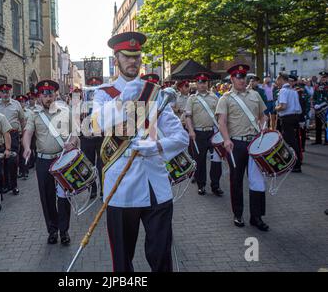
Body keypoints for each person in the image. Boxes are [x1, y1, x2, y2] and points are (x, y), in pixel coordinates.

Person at [92, 31, 189, 272]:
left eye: (136, 56)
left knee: (161, 256)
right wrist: (123, 100)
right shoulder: (104, 93)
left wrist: (157, 146)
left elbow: (181, 137)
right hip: (121, 187)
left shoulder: (154, 92)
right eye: (127, 56)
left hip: (156, 184)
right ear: (116, 60)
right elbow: (95, 125)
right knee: (123, 260)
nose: (133, 61)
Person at [22, 80, 78, 245]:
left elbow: (75, 133)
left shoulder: (65, 111)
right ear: (39, 96)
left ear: (55, 95)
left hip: (62, 159)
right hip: (43, 161)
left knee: (63, 196)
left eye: (51, 94)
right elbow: (27, 133)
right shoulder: (34, 114)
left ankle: (64, 230)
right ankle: (52, 231)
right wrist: (26, 147)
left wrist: (72, 143)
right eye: (44, 95)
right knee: (47, 197)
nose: (48, 97)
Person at [215, 64, 269, 231]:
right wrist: (226, 139)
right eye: (239, 77)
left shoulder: (255, 95)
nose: (242, 80)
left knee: (257, 181)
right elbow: (221, 122)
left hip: (255, 142)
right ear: (232, 79)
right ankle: (238, 214)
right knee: (236, 180)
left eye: (244, 77)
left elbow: (263, 115)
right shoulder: (225, 98)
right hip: (236, 143)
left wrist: (264, 127)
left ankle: (256, 216)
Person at [184, 73, 223, 196]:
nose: (202, 84)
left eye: (204, 82)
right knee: (200, 161)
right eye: (200, 82)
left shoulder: (215, 97)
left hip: (213, 133)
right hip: (198, 133)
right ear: (196, 84)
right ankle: (201, 185)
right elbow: (188, 117)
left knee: (216, 161)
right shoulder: (192, 99)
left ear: (207, 83)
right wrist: (191, 131)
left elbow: (220, 115)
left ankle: (215, 185)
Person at [0, 84, 25, 195]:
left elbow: (22, 120)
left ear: (10, 92)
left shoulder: (16, 104)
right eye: (3, 91)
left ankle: (14, 185)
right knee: (1, 162)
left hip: (13, 135)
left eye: (7, 91)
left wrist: (22, 134)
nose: (5, 94)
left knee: (12, 161)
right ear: (0, 93)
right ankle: (5, 184)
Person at [276, 74, 303, 173]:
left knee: (289, 142)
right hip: (295, 117)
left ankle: (294, 164)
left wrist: (276, 108)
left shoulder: (283, 91)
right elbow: (298, 107)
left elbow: (283, 106)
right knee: (294, 141)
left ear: (281, 79)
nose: (276, 82)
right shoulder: (293, 91)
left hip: (287, 118)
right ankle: (296, 163)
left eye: (277, 80)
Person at [16, 94, 31, 179]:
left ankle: (25, 170)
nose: (21, 103)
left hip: (25, 133)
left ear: (25, 103)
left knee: (24, 151)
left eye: (23, 102)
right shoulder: (15, 111)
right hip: (16, 134)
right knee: (17, 154)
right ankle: (20, 170)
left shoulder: (29, 112)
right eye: (19, 101)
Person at [312, 71, 328, 145]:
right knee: (318, 125)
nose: (323, 78)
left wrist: (322, 104)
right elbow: (314, 97)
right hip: (318, 108)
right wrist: (315, 104)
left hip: (326, 108)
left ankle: (327, 140)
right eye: (322, 77)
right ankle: (318, 140)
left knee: (326, 125)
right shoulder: (317, 86)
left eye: (324, 77)